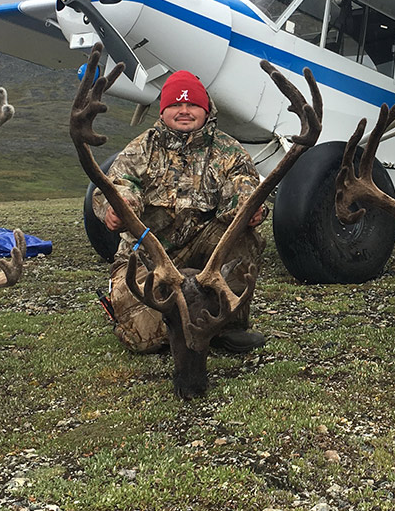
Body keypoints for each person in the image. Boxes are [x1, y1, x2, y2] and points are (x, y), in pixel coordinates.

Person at [94, 70, 269, 355]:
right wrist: (117, 208)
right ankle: (167, 318)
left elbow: (243, 185)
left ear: (206, 109)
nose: (184, 111)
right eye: (176, 105)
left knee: (241, 233)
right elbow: (118, 185)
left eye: (192, 105)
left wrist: (248, 207)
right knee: (144, 340)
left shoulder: (229, 151)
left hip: (204, 255)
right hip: (148, 255)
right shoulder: (140, 149)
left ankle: (228, 327)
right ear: (163, 111)